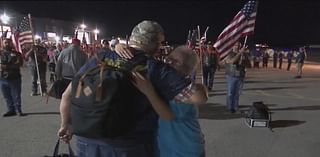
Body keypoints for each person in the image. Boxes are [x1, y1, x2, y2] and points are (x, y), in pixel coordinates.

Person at [58, 20, 206, 157]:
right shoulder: (153, 67)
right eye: (160, 43)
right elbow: (198, 97)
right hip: (129, 146)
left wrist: (65, 124)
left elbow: (67, 95)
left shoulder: (100, 57)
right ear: (154, 43)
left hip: (86, 141)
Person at [132, 45, 207, 157]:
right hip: (169, 147)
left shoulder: (181, 91)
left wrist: (149, 91)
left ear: (187, 70)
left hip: (184, 151)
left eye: (176, 62)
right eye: (169, 58)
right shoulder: (166, 83)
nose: (168, 63)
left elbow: (166, 114)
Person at [0, 38, 24, 116]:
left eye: (8, 42)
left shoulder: (17, 54)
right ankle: (11, 110)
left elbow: (19, 64)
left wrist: (5, 66)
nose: (7, 44)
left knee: (16, 95)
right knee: (6, 96)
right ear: (2, 44)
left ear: (11, 44)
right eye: (5, 43)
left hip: (14, 78)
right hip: (2, 78)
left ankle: (18, 110)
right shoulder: (1, 54)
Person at [222, 42, 246, 113]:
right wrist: (239, 53)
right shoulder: (230, 54)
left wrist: (244, 56)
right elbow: (232, 61)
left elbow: (248, 65)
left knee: (237, 93)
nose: (237, 47)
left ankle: (235, 107)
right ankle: (230, 107)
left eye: (238, 45)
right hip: (231, 76)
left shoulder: (242, 54)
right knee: (230, 93)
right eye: (235, 45)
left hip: (240, 76)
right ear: (232, 47)